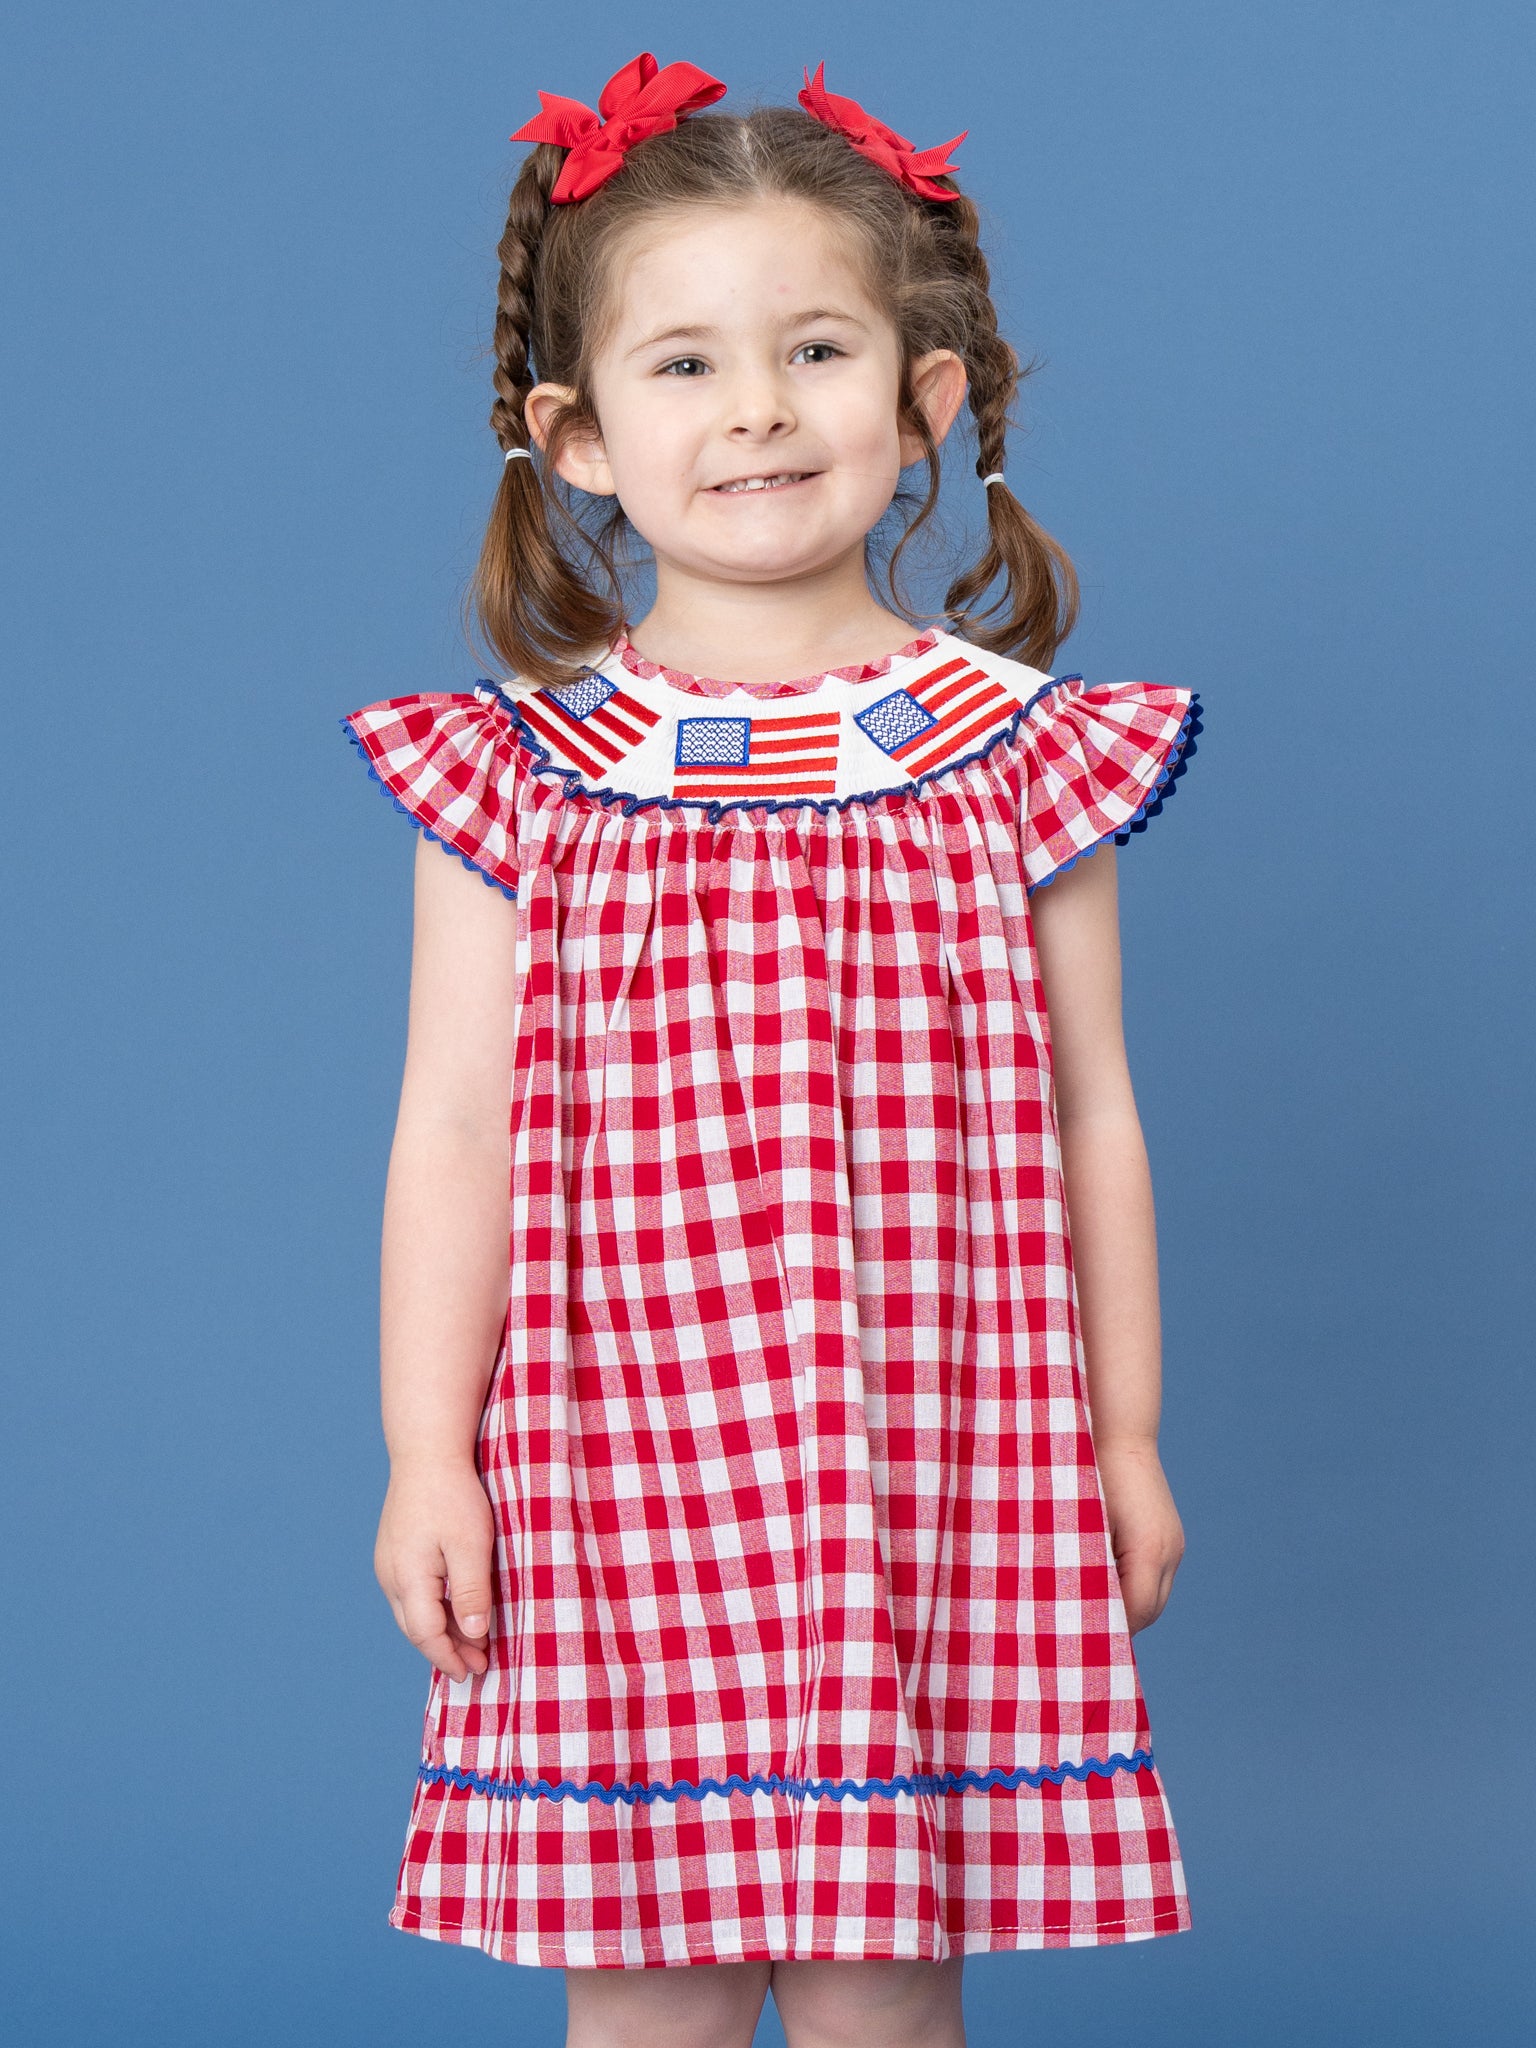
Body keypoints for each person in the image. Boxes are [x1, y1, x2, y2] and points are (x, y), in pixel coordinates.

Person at [341, 51, 1203, 2048]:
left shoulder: (1013, 754)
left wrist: (1127, 1435)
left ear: (923, 401)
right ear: (574, 438)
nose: (754, 411)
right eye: (685, 365)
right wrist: (423, 1454)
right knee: (645, 1989)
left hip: (943, 1451)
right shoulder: (525, 774)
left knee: (886, 1989)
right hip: (614, 1457)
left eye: (815, 350)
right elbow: (451, 1125)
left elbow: (1096, 1108)